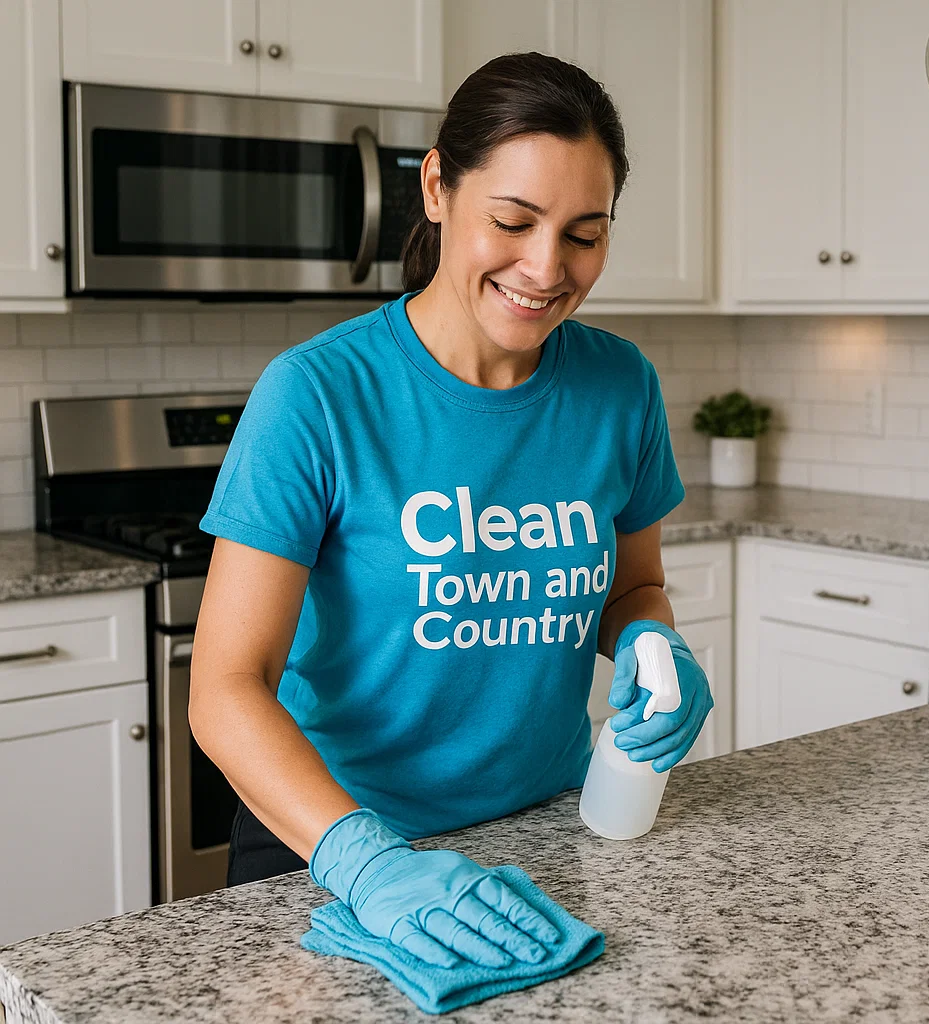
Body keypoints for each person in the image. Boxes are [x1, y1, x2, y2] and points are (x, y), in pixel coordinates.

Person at [189, 53, 713, 970]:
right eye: (512, 221)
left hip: (546, 837)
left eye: (585, 235)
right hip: (331, 856)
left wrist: (649, 642)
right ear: (437, 187)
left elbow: (636, 586)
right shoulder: (318, 395)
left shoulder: (618, 385)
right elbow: (225, 689)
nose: (546, 268)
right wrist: (370, 864)